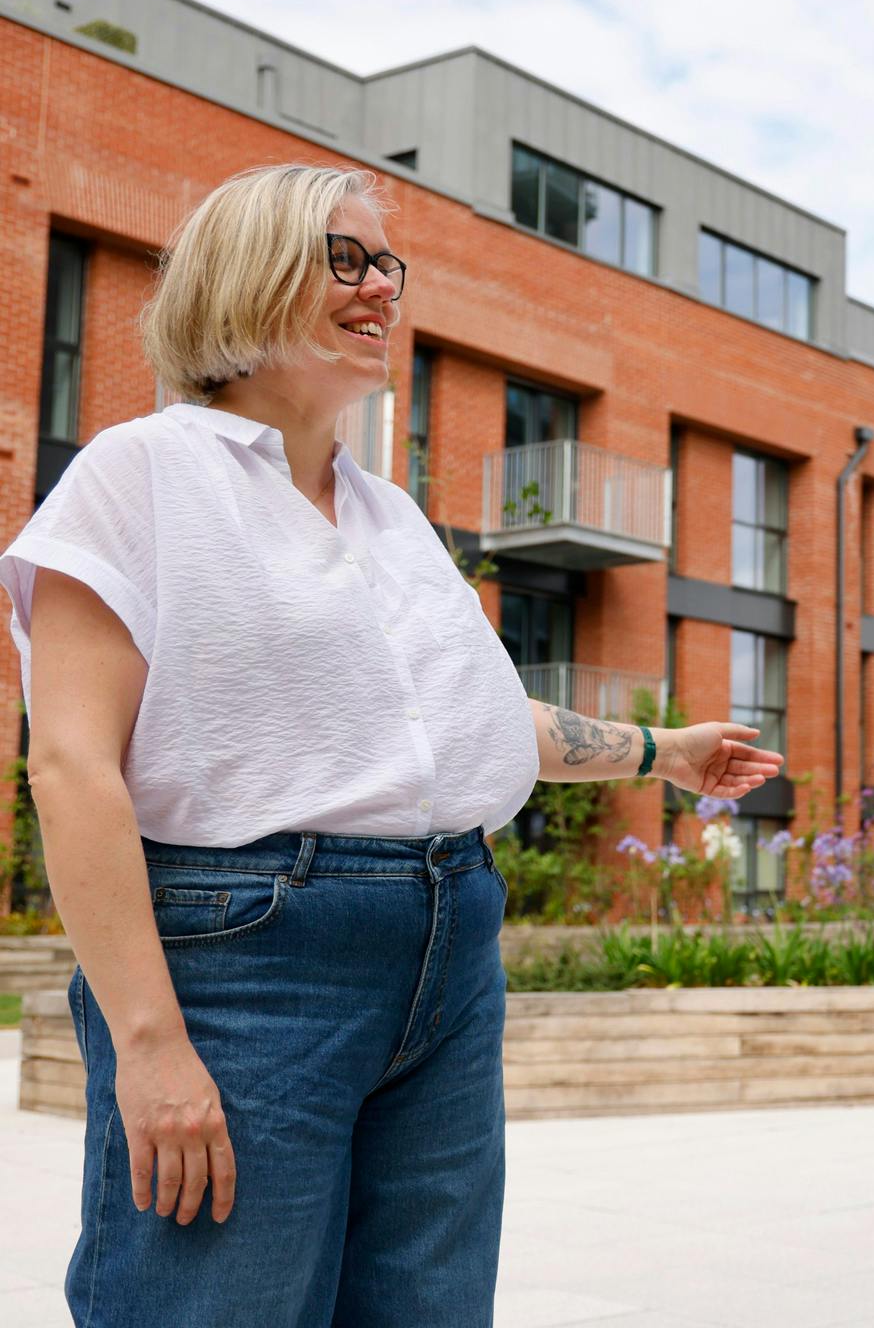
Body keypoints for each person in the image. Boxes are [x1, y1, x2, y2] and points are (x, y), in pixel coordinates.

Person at [0, 161, 783, 1328]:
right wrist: (150, 1045)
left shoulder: (392, 516)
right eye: (345, 258)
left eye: (388, 265)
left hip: (448, 955)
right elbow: (69, 766)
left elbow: (455, 728)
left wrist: (659, 748)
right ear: (246, 274)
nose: (381, 288)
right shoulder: (140, 473)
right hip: (250, 963)